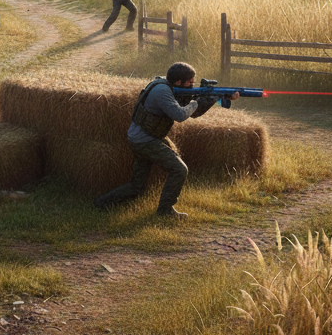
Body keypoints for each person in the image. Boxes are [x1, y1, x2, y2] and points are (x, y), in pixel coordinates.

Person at [93, 61, 236, 219]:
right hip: (144, 140)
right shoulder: (162, 92)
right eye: (189, 83)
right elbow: (181, 115)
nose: (191, 86)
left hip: (143, 137)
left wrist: (217, 97)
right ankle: (165, 210)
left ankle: (101, 204)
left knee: (137, 186)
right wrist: (197, 101)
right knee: (179, 169)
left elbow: (193, 113)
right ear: (178, 82)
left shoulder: (167, 85)